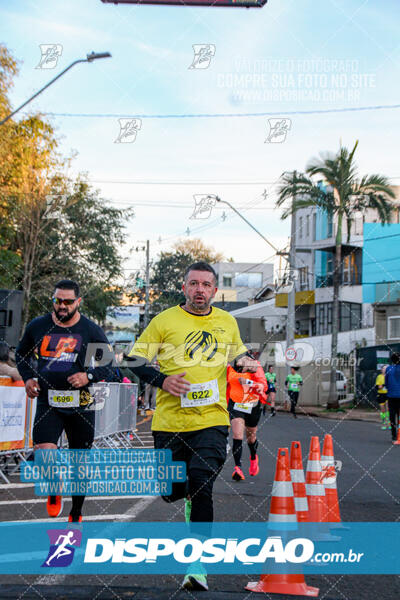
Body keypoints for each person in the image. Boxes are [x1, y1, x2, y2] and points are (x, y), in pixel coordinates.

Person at [126, 261, 257, 591]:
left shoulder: (226, 322)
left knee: (202, 482)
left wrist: (247, 364)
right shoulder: (164, 321)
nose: (200, 289)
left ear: (215, 290)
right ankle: (184, 497)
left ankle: (197, 564)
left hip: (211, 419)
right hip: (169, 422)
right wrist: (162, 380)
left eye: (206, 284)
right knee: (172, 491)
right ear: (184, 288)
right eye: (194, 283)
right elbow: (134, 360)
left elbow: (237, 356)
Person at [16, 279, 113, 522]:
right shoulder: (38, 326)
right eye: (58, 300)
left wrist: (87, 375)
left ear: (78, 302)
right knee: (43, 455)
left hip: (81, 402)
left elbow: (109, 364)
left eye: (68, 302)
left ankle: (76, 511)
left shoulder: (90, 330)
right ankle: (54, 487)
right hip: (49, 401)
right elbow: (21, 354)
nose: (62, 306)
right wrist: (28, 378)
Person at [227, 362, 268, 481]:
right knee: (237, 434)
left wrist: (251, 383)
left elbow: (263, 386)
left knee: (251, 437)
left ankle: (254, 457)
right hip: (235, 404)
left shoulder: (254, 365)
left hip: (252, 404)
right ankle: (238, 468)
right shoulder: (228, 367)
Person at [384, 352, 400, 443]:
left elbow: (386, 383)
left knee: (392, 416)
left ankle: (394, 435)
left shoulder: (388, 369)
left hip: (391, 395)